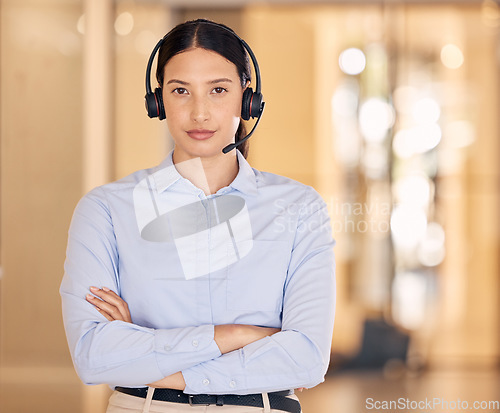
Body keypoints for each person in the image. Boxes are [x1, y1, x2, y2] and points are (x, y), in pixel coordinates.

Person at [60, 19, 335, 413]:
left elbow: (306, 358)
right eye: (180, 91)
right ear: (158, 102)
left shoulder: (299, 207)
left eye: (219, 90)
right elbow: (93, 355)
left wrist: (145, 353)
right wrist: (241, 335)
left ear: (248, 98)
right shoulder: (106, 210)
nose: (200, 112)